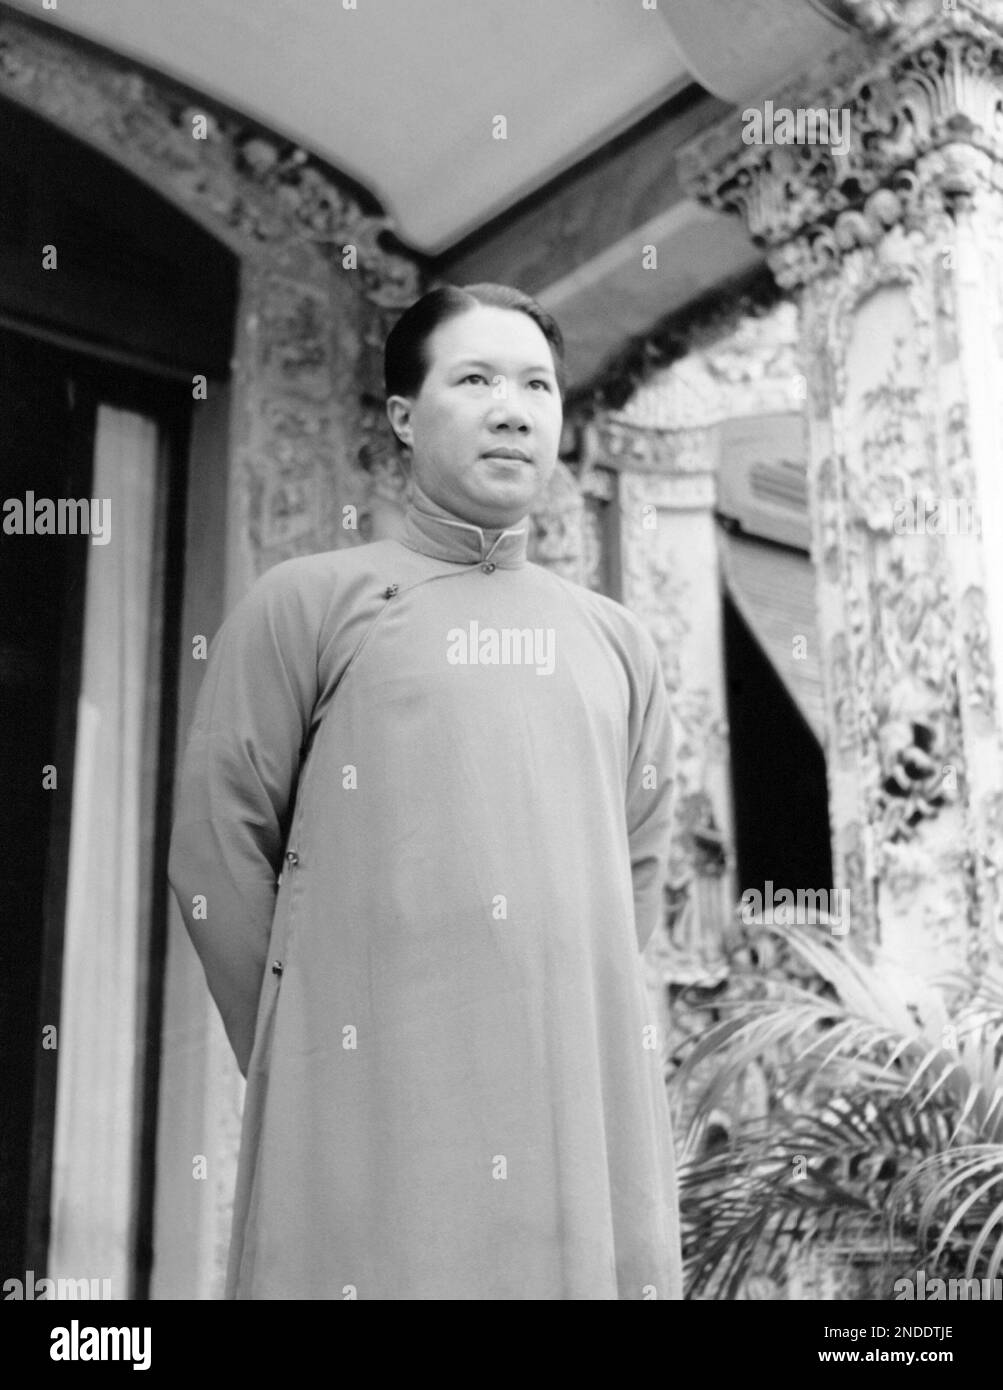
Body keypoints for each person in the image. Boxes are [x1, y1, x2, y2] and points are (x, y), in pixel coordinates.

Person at [168, 282, 683, 1300]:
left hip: (573, 1107)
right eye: (477, 377)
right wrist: (308, 1056)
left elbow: (635, 882)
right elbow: (213, 856)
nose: (513, 407)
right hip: (375, 1102)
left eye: (537, 383)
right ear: (404, 416)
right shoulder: (310, 604)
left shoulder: (619, 643)